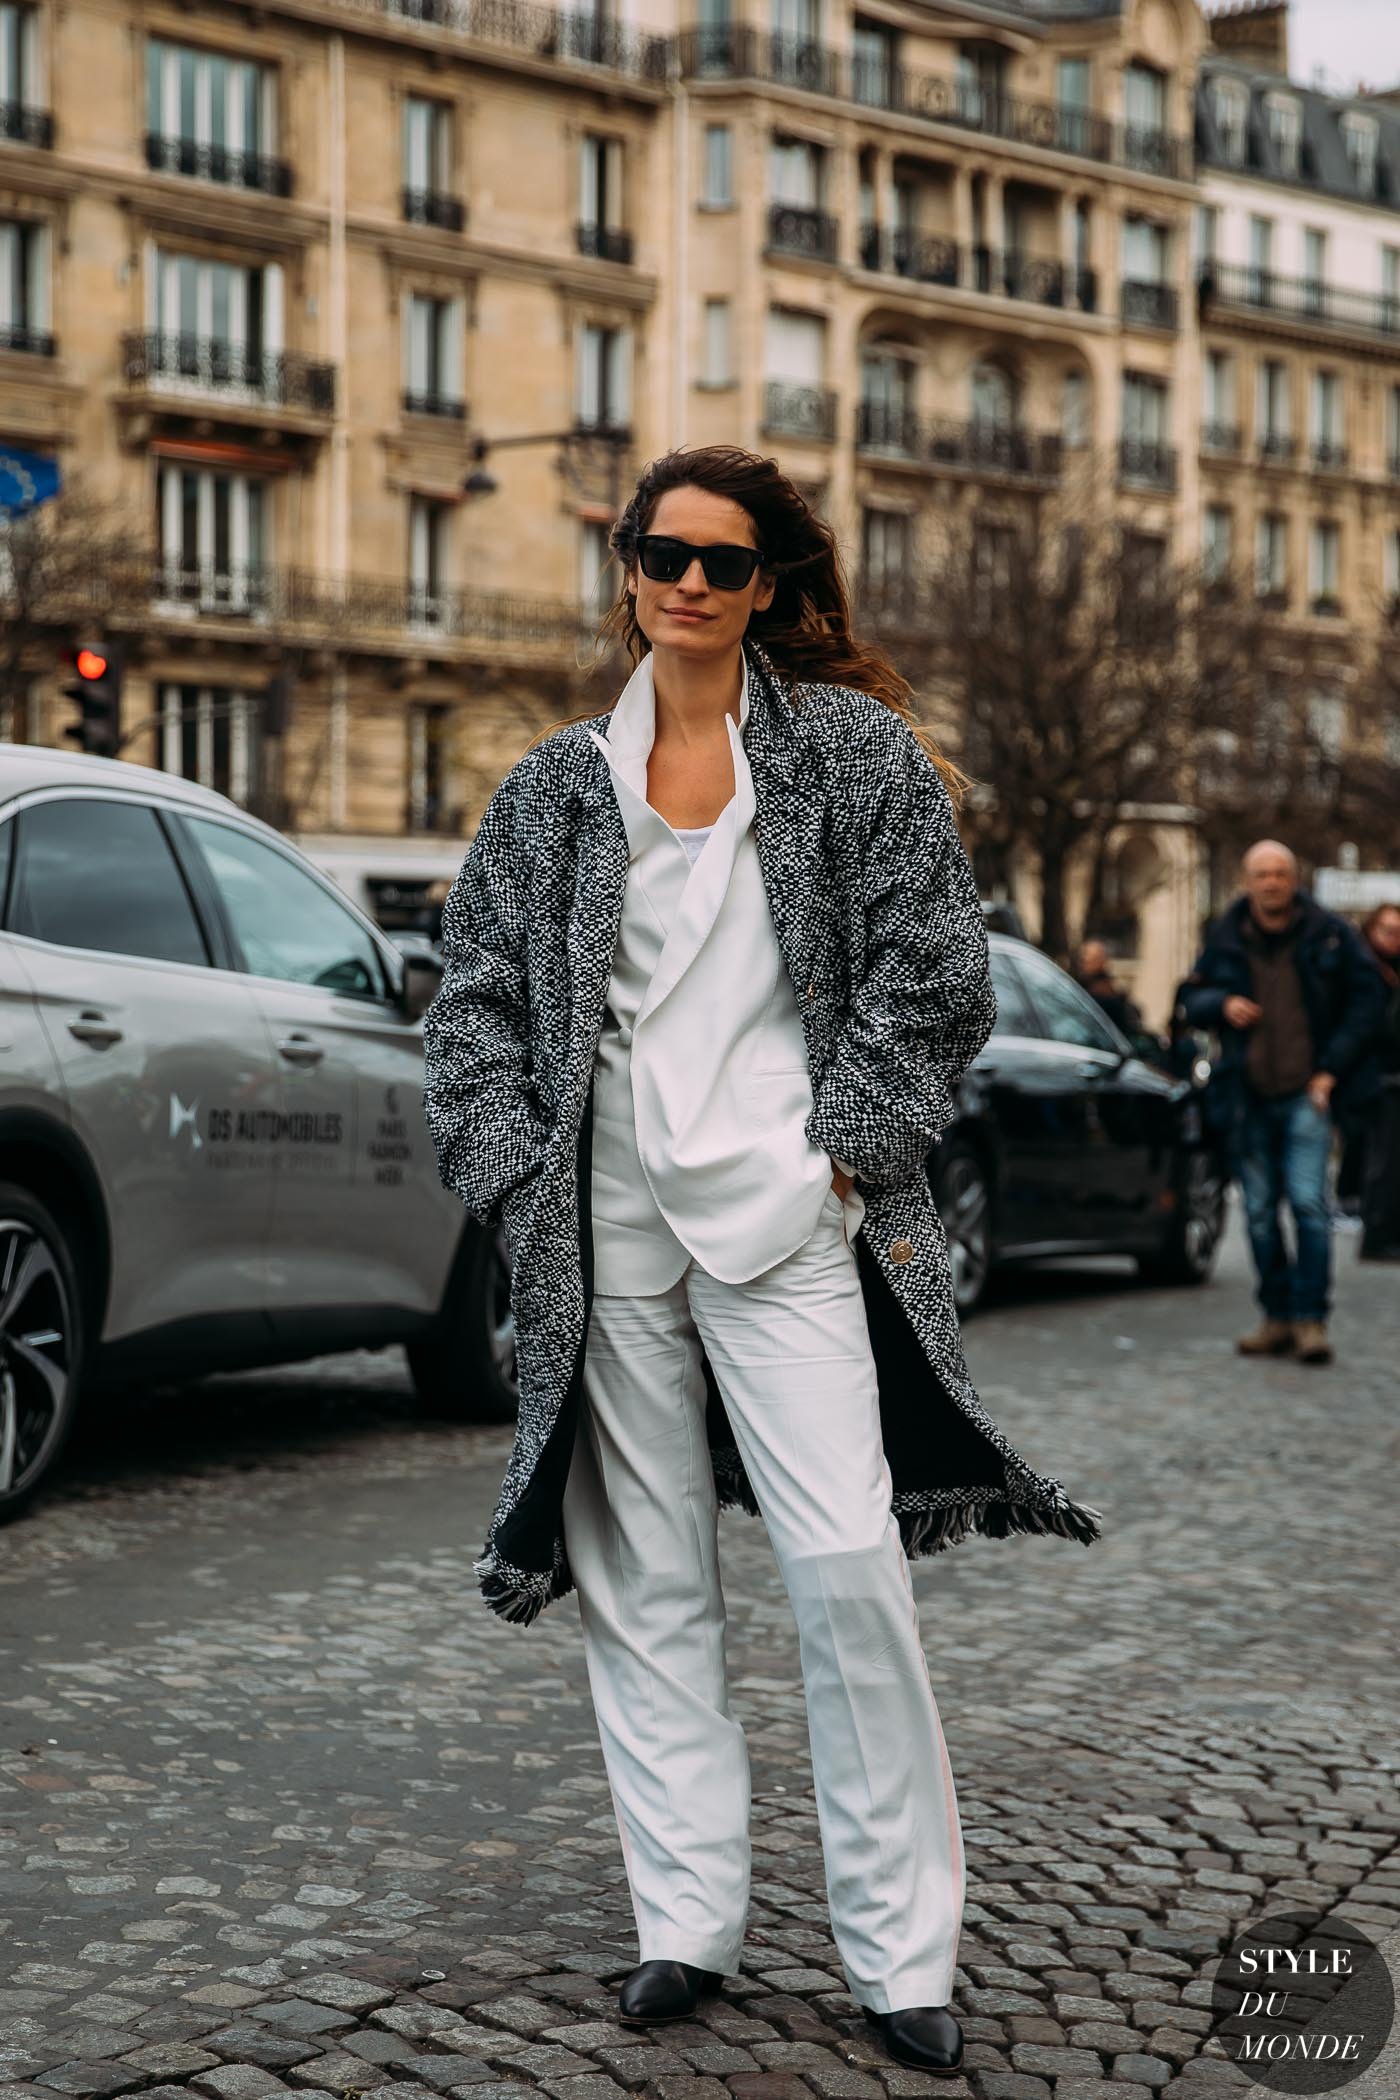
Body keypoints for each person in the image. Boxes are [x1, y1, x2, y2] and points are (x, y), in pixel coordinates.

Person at [421, 445, 1101, 2070]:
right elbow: (472, 1012)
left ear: (771, 587)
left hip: (794, 1214)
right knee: (645, 1584)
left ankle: (900, 1952)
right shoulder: (554, 787)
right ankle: (687, 1921)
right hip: (604, 1227)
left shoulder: (852, 758)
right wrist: (525, 1190)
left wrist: (844, 1163)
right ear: (629, 567)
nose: (693, 587)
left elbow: (937, 976)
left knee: (849, 1569)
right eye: (666, 555)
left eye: (728, 565)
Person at [1176, 840, 1386, 1365]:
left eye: (1279, 873)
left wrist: (1330, 1071)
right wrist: (1221, 1003)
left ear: (1293, 879)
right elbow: (1190, 998)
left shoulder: (1329, 934)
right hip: (1246, 1096)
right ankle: (1275, 1315)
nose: (1271, 882)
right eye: (1261, 874)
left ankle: (1310, 1320)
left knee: (1310, 1208)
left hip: (1305, 1094)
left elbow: (1369, 1000)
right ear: (1247, 881)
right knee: (1260, 1214)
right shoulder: (1225, 936)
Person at [1336, 902, 1400, 1218]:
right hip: (1361, 1074)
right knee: (1364, 1145)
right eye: (1388, 931)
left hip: (1387, 1074)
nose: (1394, 939)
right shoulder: (1358, 968)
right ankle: (1355, 1203)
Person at [1075, 939, 1144, 1038]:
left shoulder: (1105, 991)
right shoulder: (1081, 984)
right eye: (1082, 959)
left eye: (1089, 959)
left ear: (1102, 961)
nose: (1084, 962)